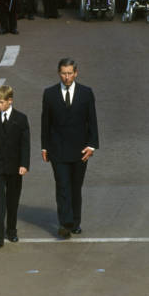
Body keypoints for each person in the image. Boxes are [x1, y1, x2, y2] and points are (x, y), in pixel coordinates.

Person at [41, 58, 99, 239]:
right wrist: (44, 147)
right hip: (57, 150)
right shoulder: (49, 94)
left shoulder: (86, 93)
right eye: (63, 73)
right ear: (59, 73)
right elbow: (45, 123)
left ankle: (75, 222)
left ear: (76, 73)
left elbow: (92, 121)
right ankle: (65, 223)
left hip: (80, 151)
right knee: (62, 187)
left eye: (69, 73)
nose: (66, 77)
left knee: (75, 187)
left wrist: (92, 146)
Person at [0, 85, 29, 249]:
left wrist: (24, 164)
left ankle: (11, 229)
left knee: (12, 199)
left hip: (15, 166)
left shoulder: (21, 118)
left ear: (10, 101)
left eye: (2, 102)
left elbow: (25, 144)